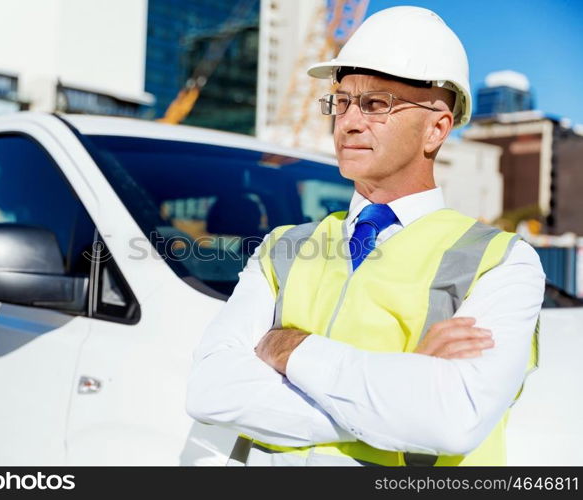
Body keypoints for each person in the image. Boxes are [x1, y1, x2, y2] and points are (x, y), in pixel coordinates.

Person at [186, 5, 545, 466]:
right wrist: (404, 384)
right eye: (341, 102)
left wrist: (290, 347)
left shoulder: (500, 262)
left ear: (437, 128)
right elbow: (210, 392)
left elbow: (453, 420)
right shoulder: (282, 247)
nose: (348, 121)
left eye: (377, 104)